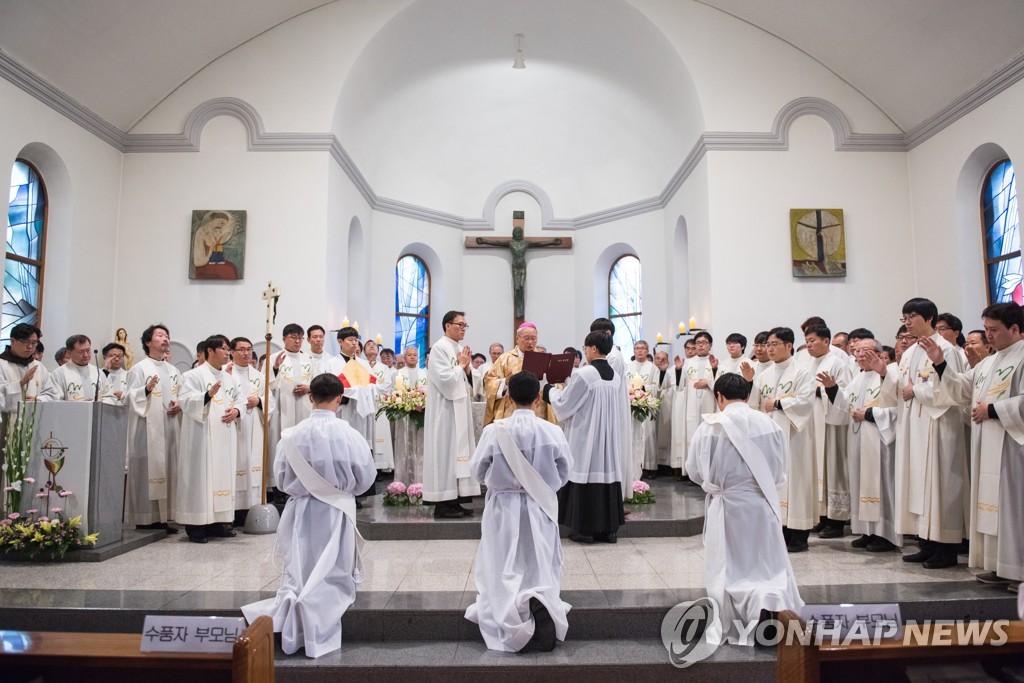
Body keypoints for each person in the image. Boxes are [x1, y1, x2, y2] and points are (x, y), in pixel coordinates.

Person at [241, 373, 376, 658]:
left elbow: (280, 478)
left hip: (301, 510)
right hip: (336, 512)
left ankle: (298, 599)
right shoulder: (351, 434)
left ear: (310, 397)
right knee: (333, 568)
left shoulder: (291, 435)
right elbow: (366, 478)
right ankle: (319, 611)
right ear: (340, 399)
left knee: (301, 567)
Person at [685, 372, 803, 645]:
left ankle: (737, 619)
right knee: (765, 566)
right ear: (748, 396)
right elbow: (780, 472)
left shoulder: (710, 426)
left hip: (727, 507)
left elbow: (693, 471)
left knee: (729, 568)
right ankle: (769, 609)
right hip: (762, 505)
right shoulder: (770, 424)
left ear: (719, 397)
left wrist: (716, 485)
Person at [465, 371, 572, 652]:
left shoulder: (494, 431)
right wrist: (542, 487)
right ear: (539, 399)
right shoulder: (553, 431)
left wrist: (500, 484)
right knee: (538, 561)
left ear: (509, 399)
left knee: (502, 563)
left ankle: (508, 617)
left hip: (503, 507)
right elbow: (565, 470)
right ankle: (541, 606)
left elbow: (477, 470)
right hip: (540, 506)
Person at [925, 303, 1023, 588]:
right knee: (994, 507)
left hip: (1014, 447)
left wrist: (993, 410)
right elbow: (961, 389)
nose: (988, 336)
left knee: (1014, 507)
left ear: (1015, 329)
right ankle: (1001, 565)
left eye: (994, 330)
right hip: (989, 445)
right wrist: (940, 363)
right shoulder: (989, 362)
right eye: (987, 329)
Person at [886, 297, 967, 569]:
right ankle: (926, 542)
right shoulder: (910, 351)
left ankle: (946, 549)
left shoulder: (947, 350)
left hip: (938, 426)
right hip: (915, 425)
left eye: (912, 317)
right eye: (904, 318)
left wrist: (916, 391)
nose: (907, 322)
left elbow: (955, 390)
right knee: (918, 484)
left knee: (939, 485)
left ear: (929, 318)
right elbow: (901, 387)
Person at [544, 330, 625, 544]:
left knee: (584, 473)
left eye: (585, 348)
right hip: (606, 436)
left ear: (593, 349)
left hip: (586, 435)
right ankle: (608, 530)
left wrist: (549, 390)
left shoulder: (585, 373)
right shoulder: (614, 376)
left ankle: (585, 530)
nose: (585, 351)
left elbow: (564, 404)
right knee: (605, 475)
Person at [821, 337, 902, 552]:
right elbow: (844, 404)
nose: (860, 355)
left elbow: (899, 409)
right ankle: (868, 530)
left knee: (881, 485)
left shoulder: (890, 374)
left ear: (878, 352)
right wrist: (832, 389)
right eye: (857, 352)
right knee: (860, 482)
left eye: (866, 351)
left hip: (880, 440)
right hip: (858, 438)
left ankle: (885, 534)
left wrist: (870, 414)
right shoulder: (858, 378)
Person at [742, 327, 815, 552]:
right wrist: (748, 383)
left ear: (789, 345)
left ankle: (799, 534)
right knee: (775, 483)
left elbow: (806, 402)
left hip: (795, 438)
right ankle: (780, 530)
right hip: (771, 438)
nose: (769, 349)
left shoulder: (802, 371)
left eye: (774, 344)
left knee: (796, 480)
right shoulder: (764, 374)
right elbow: (754, 404)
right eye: (768, 345)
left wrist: (779, 403)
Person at [177, 335, 245, 543]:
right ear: (210, 351)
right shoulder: (193, 375)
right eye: (224, 349)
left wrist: (237, 411)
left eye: (227, 349)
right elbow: (185, 401)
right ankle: (196, 525)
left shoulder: (230, 377)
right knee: (201, 479)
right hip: (202, 437)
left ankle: (218, 523)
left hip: (225, 435)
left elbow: (240, 399)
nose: (228, 352)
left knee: (222, 477)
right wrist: (206, 395)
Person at [125, 324, 183, 533]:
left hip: (170, 428)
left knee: (167, 468)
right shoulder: (139, 369)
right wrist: (145, 391)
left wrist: (180, 405)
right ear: (148, 342)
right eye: (160, 335)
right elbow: (127, 398)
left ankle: (164, 518)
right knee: (147, 471)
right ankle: (145, 517)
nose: (165, 339)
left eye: (167, 335)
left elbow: (183, 395)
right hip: (146, 431)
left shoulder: (173, 370)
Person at [423, 311, 481, 518]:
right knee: (446, 454)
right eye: (460, 324)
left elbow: (471, 380)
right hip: (445, 412)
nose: (464, 328)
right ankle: (443, 503)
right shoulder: (439, 348)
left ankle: (456, 499)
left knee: (458, 455)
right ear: (447, 325)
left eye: (466, 325)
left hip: (459, 411)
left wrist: (466, 369)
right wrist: (462, 365)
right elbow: (445, 380)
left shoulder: (457, 348)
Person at [803, 323, 852, 539]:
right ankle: (822, 516)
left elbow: (845, 394)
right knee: (817, 469)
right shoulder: (808, 362)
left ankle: (837, 521)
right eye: (806, 341)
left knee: (834, 470)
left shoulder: (838, 362)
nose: (809, 345)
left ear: (826, 341)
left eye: (812, 340)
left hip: (832, 425)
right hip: (814, 422)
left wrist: (822, 391)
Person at [229, 336, 274, 519]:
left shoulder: (258, 375)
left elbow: (271, 401)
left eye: (249, 349)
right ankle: (232, 511)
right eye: (241, 349)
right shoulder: (226, 373)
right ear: (232, 352)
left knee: (252, 464)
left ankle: (250, 509)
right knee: (235, 464)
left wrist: (259, 400)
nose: (246, 353)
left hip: (254, 424)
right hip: (234, 426)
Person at [270, 323, 313, 501]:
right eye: (293, 337)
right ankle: (279, 488)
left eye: (299, 338)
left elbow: (316, 381)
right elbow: (266, 384)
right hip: (282, 410)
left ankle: (304, 484)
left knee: (303, 446)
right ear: (284, 339)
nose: (297, 341)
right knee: (281, 445)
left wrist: (309, 387)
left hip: (304, 408)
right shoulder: (274, 357)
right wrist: (274, 369)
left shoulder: (308, 359)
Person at [483, 322, 556, 426]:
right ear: (517, 339)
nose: (530, 342)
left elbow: (555, 385)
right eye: (526, 338)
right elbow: (489, 381)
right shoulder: (505, 359)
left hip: (538, 413)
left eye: (533, 338)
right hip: (510, 413)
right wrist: (505, 382)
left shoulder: (543, 359)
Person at [675, 331, 718, 479]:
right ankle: (692, 472)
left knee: (707, 437)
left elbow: (720, 384)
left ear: (710, 345)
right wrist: (679, 370)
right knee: (691, 436)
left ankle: (708, 473)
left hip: (708, 404)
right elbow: (680, 387)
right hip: (691, 406)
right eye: (698, 343)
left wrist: (709, 381)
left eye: (703, 342)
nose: (700, 345)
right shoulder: (688, 363)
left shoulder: (715, 362)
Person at [0, 323, 58, 410]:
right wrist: (21, 383)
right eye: (25, 342)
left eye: (34, 343)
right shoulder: (2, 364)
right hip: (7, 421)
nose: (30, 347)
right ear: (12, 341)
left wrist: (38, 400)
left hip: (35, 419)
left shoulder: (38, 366)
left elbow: (52, 394)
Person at [393, 346, 427, 485]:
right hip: (404, 416)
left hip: (421, 414)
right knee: (404, 445)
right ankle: (403, 481)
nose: (413, 357)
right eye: (409, 355)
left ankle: (422, 481)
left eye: (415, 354)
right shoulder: (397, 374)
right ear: (404, 357)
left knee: (421, 446)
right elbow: (393, 393)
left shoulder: (425, 373)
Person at [625, 339, 657, 483]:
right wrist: (631, 393)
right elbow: (624, 384)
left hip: (645, 405)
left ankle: (647, 466)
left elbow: (656, 386)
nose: (639, 350)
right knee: (632, 435)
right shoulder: (628, 367)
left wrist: (643, 392)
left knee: (646, 436)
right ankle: (632, 466)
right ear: (634, 351)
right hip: (631, 406)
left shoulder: (652, 368)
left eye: (643, 348)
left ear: (647, 351)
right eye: (637, 348)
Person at [365, 339, 395, 473]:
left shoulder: (383, 367)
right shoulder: (360, 365)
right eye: (369, 345)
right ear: (364, 350)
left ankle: (380, 466)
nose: (372, 347)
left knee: (380, 433)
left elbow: (387, 385)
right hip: (364, 404)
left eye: (374, 346)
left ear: (378, 351)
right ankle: (367, 465)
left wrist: (371, 388)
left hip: (379, 405)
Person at [52, 334, 110, 401]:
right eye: (81, 352)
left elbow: (109, 396)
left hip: (97, 411)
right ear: (69, 353)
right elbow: (55, 401)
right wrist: (80, 405)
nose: (85, 355)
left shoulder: (98, 372)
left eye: (88, 350)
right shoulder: (59, 374)